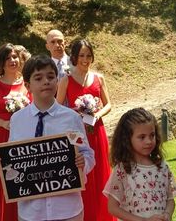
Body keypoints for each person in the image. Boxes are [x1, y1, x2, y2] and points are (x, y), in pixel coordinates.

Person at [0, 54, 95, 221]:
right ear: (28, 85)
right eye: (38, 78)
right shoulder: (18, 120)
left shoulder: (71, 118)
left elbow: (88, 153)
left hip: (67, 209)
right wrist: (2, 160)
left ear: (57, 81)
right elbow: (13, 159)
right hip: (31, 211)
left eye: (51, 77)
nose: (46, 81)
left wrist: (83, 163)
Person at [56, 39, 114, 221]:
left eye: (88, 55)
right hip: (77, 134)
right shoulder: (66, 80)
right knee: (84, 172)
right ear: (74, 57)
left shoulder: (99, 78)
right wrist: (76, 113)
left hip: (97, 131)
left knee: (102, 174)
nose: (85, 59)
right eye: (82, 55)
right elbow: (58, 107)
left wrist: (96, 115)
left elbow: (109, 104)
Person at [0, 44, 30, 221]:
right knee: (1, 182)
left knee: (24, 180)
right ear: (1, 62)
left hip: (25, 138)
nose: (13, 61)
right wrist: (3, 123)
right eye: (8, 58)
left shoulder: (27, 83)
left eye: (15, 57)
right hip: (2, 137)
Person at [104, 107, 176, 221]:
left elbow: (170, 199)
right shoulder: (122, 169)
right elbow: (112, 208)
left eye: (152, 135)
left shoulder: (162, 166)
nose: (148, 141)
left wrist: (167, 214)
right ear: (127, 139)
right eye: (142, 137)